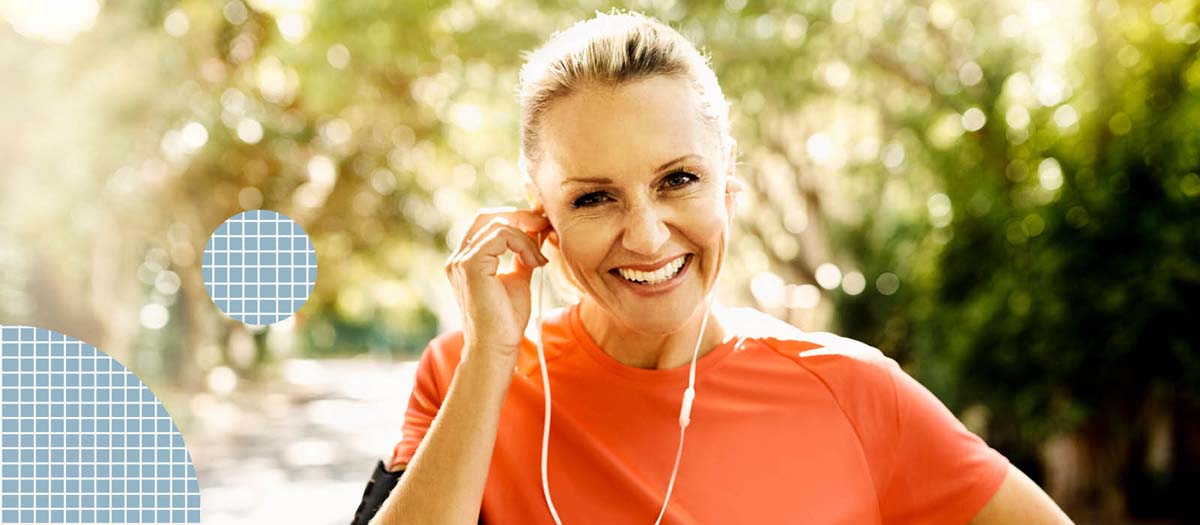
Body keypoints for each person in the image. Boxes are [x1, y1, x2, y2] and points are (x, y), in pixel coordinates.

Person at [360, 11, 1074, 525]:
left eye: (678, 180)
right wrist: (491, 355)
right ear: (537, 208)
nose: (645, 235)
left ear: (728, 180)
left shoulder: (858, 394)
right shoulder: (467, 372)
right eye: (595, 196)